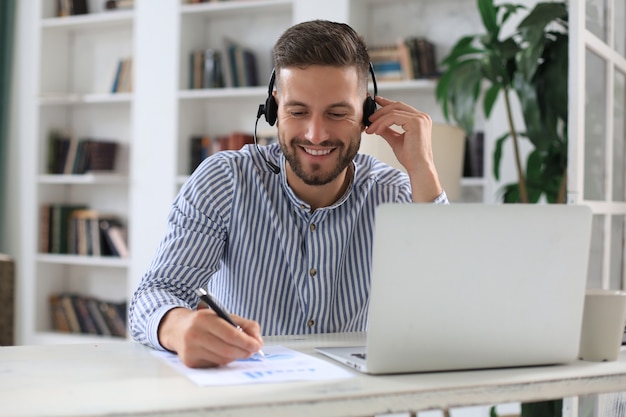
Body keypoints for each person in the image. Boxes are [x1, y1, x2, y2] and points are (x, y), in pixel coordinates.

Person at [129, 20, 448, 368]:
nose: (316, 134)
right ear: (274, 109)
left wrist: (423, 168)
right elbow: (156, 292)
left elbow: (446, 309)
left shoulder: (398, 194)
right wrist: (178, 326)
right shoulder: (224, 181)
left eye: (338, 113)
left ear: (367, 114)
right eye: (298, 112)